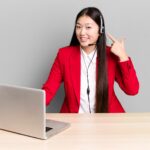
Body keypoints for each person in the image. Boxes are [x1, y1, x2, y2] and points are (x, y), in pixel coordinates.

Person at [42, 7, 139, 113]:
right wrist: (32, 108)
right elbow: (49, 90)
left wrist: (123, 57)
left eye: (88, 27)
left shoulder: (111, 55)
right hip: (74, 120)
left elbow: (132, 90)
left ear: (100, 30)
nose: (82, 32)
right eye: (78, 27)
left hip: (108, 120)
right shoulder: (64, 55)